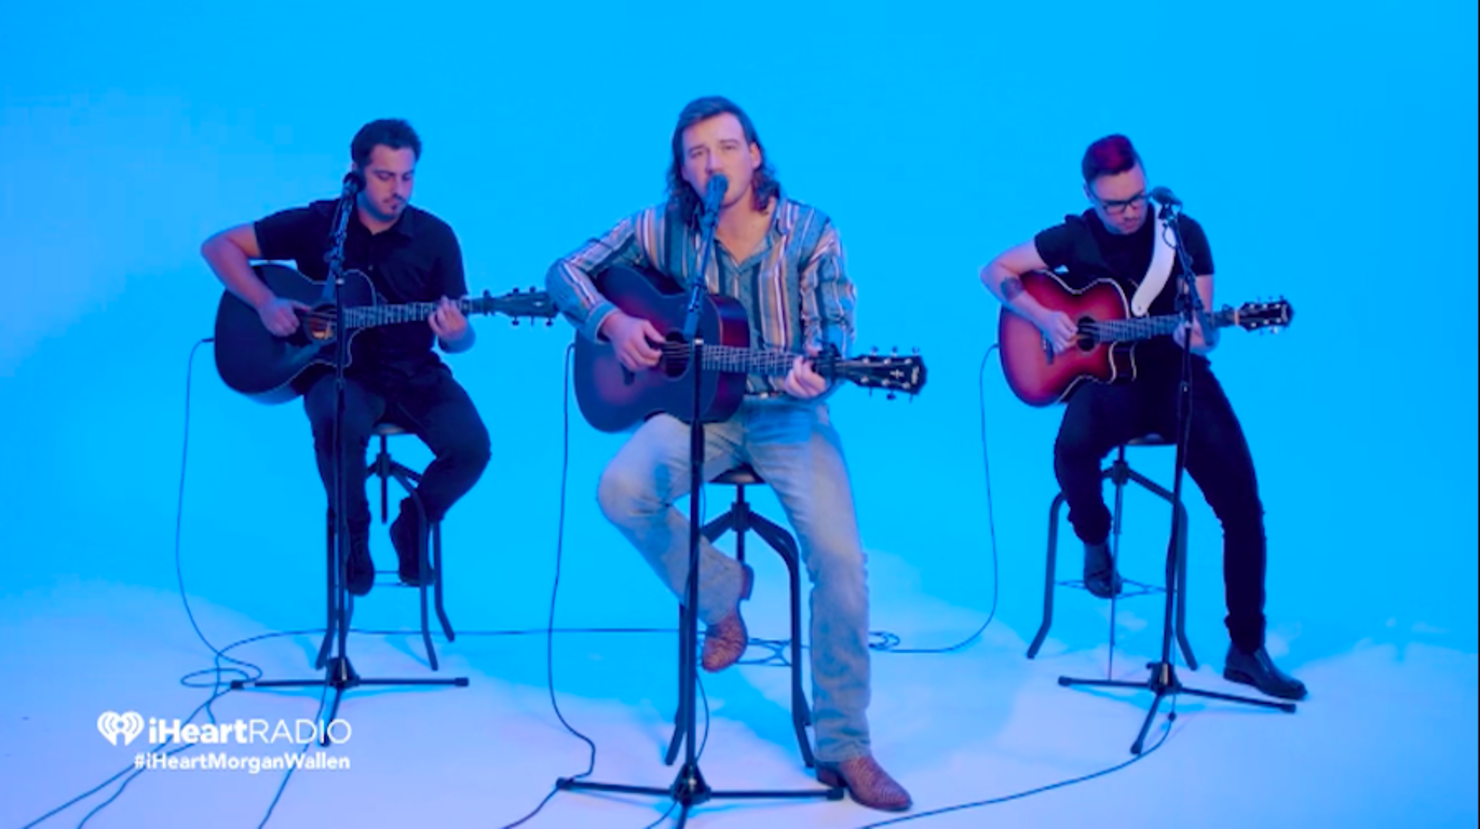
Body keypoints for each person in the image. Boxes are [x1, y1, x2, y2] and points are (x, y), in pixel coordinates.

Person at [545, 96, 911, 811]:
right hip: (698, 410)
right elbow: (565, 272)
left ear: (755, 154)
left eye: (726, 147)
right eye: (697, 154)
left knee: (841, 562)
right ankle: (722, 593)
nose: (713, 163)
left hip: (787, 412)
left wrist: (821, 365)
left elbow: (834, 321)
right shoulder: (666, 227)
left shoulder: (810, 230)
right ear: (683, 171)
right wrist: (612, 323)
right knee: (620, 490)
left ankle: (845, 744)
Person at [979, 134, 1306, 701]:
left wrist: (1200, 333)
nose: (1130, 212)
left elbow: (1203, 334)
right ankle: (1094, 537)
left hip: (1174, 378)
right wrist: (1042, 315)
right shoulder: (1074, 236)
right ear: (1090, 195)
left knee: (1242, 505)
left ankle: (1246, 649)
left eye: (1137, 198)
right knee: (1070, 449)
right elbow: (995, 271)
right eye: (1115, 204)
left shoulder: (1182, 236)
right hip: (1108, 384)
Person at [202, 118, 491, 596]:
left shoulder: (437, 237)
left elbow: (456, 341)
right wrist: (265, 301)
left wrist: (459, 333)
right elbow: (219, 247)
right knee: (336, 423)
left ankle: (414, 524)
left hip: (414, 373)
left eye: (407, 177)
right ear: (355, 173)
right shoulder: (320, 224)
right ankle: (353, 534)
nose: (398, 190)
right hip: (340, 372)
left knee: (471, 448)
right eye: (384, 176)